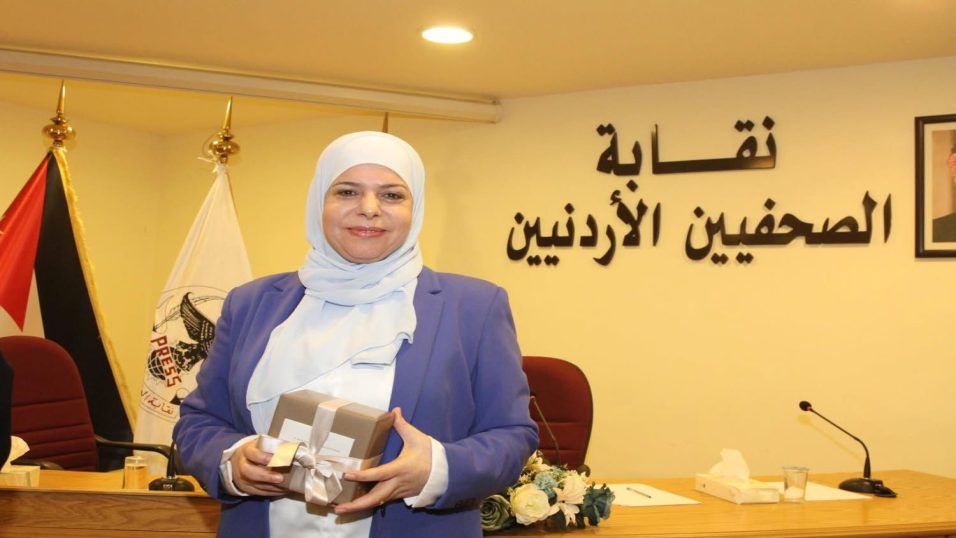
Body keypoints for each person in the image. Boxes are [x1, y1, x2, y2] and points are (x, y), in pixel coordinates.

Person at [174, 131, 538, 538]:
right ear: (319, 201)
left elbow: (511, 435)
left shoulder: (474, 307)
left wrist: (436, 469)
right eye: (347, 192)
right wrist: (232, 461)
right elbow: (200, 421)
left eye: (392, 195)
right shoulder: (250, 303)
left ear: (415, 208)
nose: (369, 209)